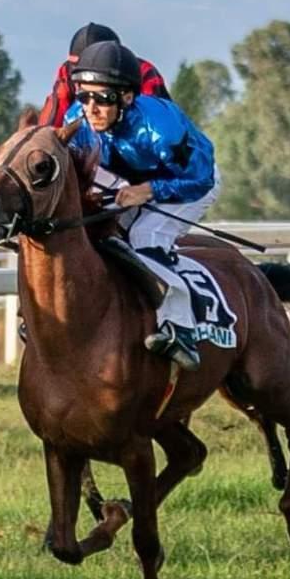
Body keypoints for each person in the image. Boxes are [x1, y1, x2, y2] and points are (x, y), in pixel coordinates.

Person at [65, 40, 218, 370]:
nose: (90, 108)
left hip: (188, 182)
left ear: (128, 97)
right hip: (132, 179)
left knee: (146, 235)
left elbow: (200, 179)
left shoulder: (161, 130)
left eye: (102, 99)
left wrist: (149, 190)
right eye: (84, 96)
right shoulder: (77, 120)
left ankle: (181, 327)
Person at [39, 22, 169, 127]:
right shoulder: (66, 72)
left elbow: (158, 123)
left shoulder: (144, 73)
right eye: (76, 67)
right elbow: (48, 128)